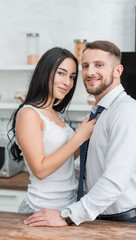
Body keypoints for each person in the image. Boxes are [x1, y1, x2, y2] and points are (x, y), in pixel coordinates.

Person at [24, 40, 136, 226]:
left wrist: (67, 215)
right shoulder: (97, 112)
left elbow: (114, 181)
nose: (90, 72)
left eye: (99, 65)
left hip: (127, 225)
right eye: (85, 66)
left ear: (118, 71)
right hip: (99, 221)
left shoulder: (126, 111)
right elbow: (90, 166)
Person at [8, 47, 96, 214]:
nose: (67, 82)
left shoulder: (55, 114)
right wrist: (79, 137)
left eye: (72, 77)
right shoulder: (28, 114)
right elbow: (40, 170)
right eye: (61, 73)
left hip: (63, 209)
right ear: (43, 71)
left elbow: (64, 156)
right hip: (39, 209)